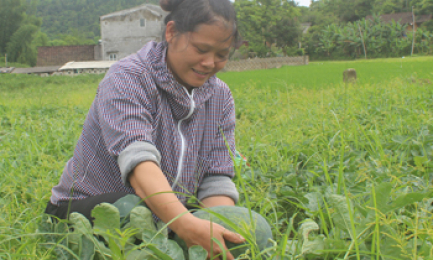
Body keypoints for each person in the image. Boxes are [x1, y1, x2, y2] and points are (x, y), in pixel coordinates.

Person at [44, 0, 245, 259]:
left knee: (247, 229)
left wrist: (215, 226)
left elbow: (216, 177)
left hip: (168, 214)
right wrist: (184, 224)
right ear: (171, 33)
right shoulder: (129, 77)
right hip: (91, 208)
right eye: (201, 49)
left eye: (221, 54)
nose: (209, 63)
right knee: (135, 213)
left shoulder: (220, 96)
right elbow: (138, 161)